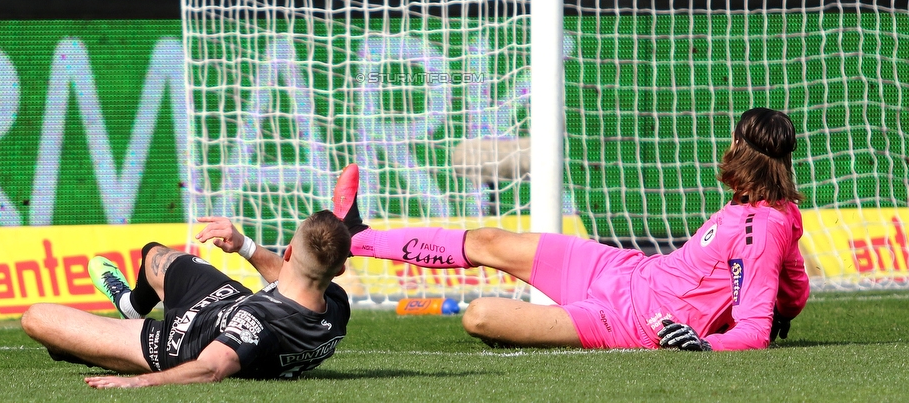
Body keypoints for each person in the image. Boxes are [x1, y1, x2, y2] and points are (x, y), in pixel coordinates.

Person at [333, 107, 809, 351]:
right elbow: (792, 288)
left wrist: (706, 342)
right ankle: (357, 236)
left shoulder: (763, 228)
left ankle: (532, 327)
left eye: (732, 138)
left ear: (742, 150)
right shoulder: (768, 210)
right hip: (626, 269)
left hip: (631, 322)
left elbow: (753, 331)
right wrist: (781, 305)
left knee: (478, 315)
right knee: (489, 241)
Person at [20, 209, 352, 388]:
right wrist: (244, 245)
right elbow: (294, 274)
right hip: (224, 302)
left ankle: (108, 342)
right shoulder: (335, 303)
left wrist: (140, 382)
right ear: (337, 271)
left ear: (289, 250)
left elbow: (211, 368)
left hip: (176, 343)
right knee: (154, 255)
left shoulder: (260, 325)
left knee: (36, 318)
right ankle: (131, 307)